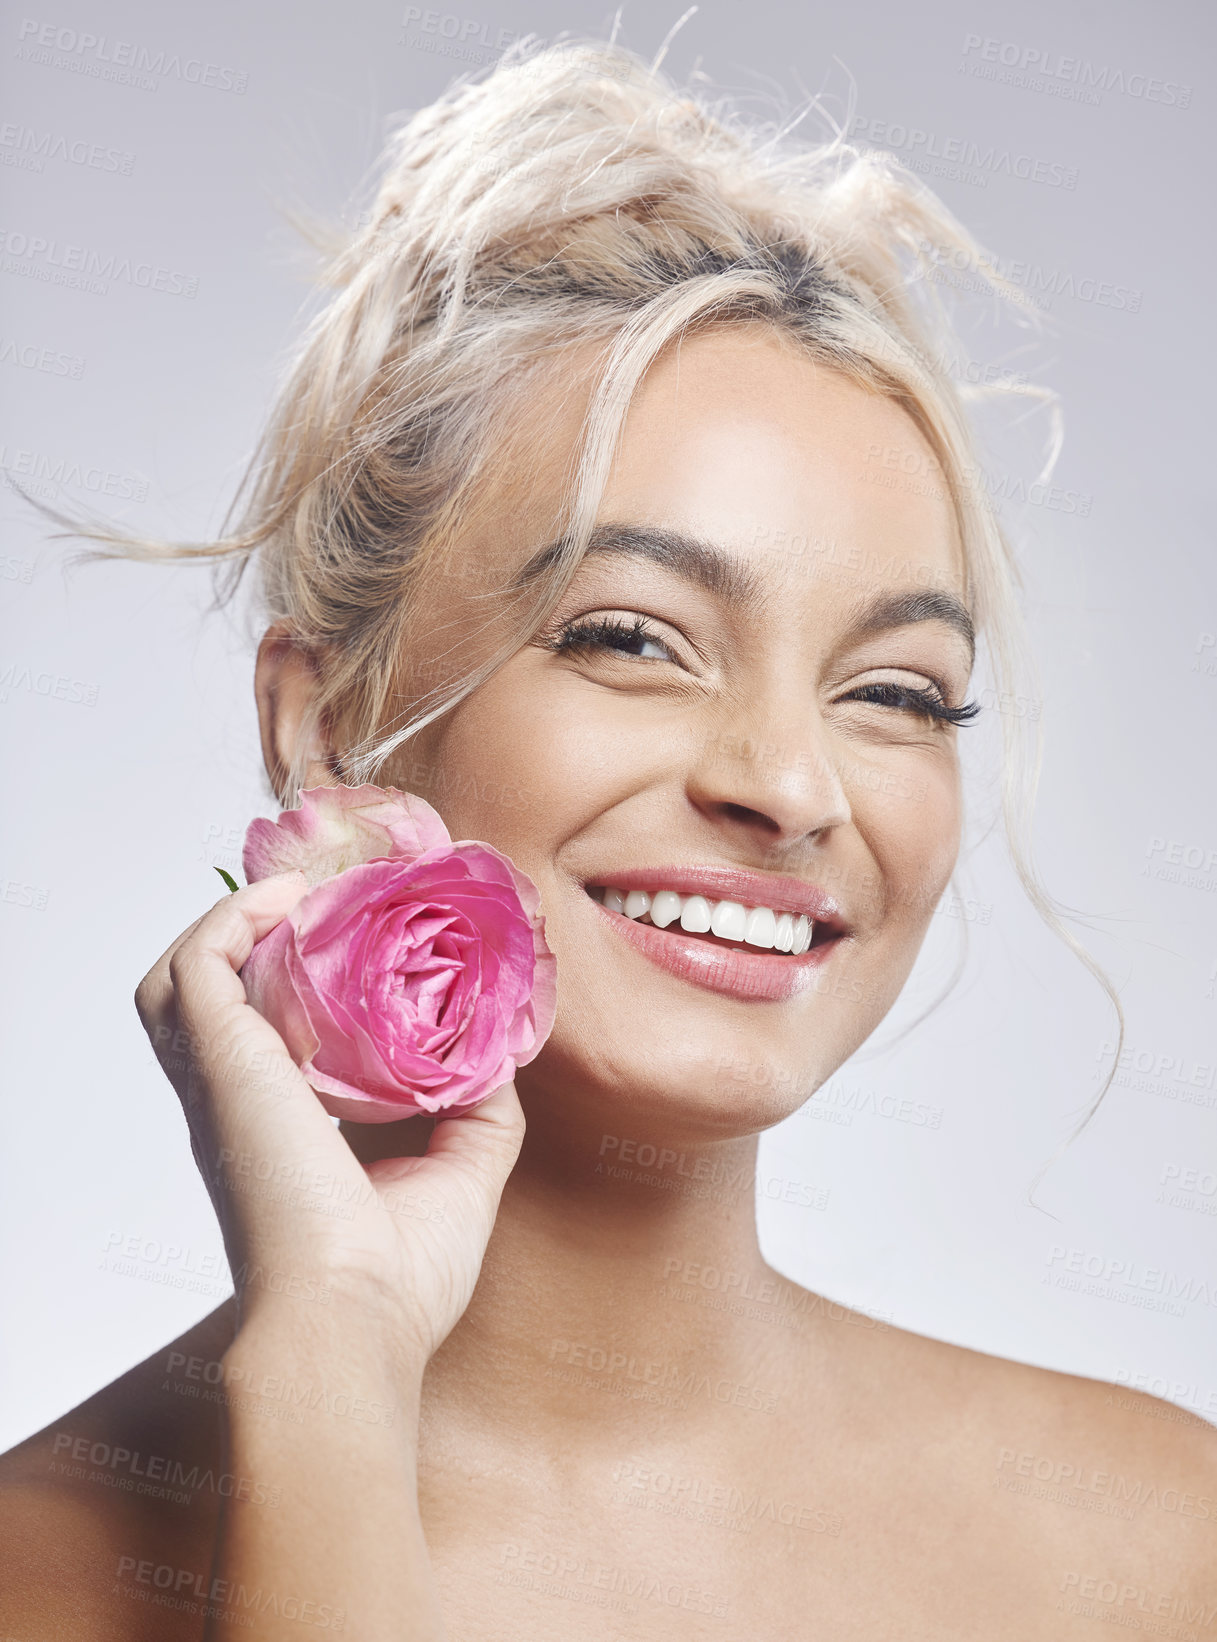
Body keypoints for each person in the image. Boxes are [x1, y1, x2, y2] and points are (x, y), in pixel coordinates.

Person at [2, 36, 1213, 1641]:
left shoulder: (1159, 1542)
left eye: (897, 689)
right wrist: (329, 1371)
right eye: (635, 638)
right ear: (324, 724)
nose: (790, 783)